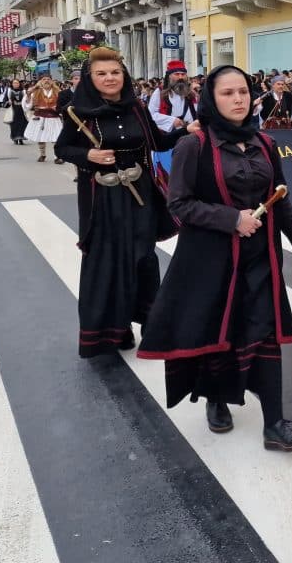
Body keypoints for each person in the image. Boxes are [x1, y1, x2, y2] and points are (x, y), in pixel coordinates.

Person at [137, 65, 292, 451]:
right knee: (218, 329)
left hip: (262, 258)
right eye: (228, 93)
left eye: (243, 92)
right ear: (210, 100)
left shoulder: (265, 144)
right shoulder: (194, 145)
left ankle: (275, 422)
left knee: (264, 331)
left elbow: (279, 196)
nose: (238, 99)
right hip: (212, 261)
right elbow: (179, 204)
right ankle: (217, 398)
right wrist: (231, 219)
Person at [54, 46, 195, 357]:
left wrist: (188, 131)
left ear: (124, 75)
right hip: (102, 198)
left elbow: (158, 142)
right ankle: (114, 331)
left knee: (143, 256)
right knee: (108, 260)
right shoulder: (79, 112)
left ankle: (151, 325)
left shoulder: (137, 108)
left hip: (140, 193)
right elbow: (62, 149)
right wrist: (88, 155)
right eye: (101, 73)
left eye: (115, 72)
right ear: (91, 78)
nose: (109, 78)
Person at [24, 75, 63, 163]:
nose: (46, 81)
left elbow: (63, 104)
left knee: (56, 137)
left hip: (54, 117)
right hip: (40, 116)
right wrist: (30, 93)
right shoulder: (36, 91)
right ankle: (42, 154)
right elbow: (27, 105)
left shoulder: (58, 91)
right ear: (40, 81)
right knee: (40, 137)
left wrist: (58, 108)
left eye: (48, 79)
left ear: (52, 81)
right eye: (44, 79)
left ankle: (57, 157)